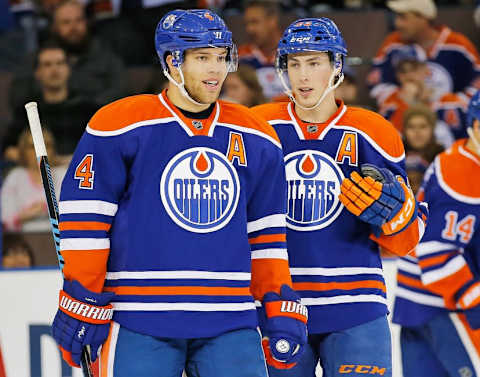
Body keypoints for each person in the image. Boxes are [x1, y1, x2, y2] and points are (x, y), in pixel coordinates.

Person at [50, 9, 307, 376]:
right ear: (172, 61)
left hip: (230, 316)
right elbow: (86, 222)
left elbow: (266, 235)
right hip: (140, 315)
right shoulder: (118, 126)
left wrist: (277, 301)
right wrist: (82, 296)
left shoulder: (257, 135)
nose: (216, 70)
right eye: (203, 58)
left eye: (221, 58)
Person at [252, 18, 427, 377]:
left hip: (357, 305)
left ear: (336, 66)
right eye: (294, 64)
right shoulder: (256, 127)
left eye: (314, 63)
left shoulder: (375, 131)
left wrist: (396, 217)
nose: (303, 77)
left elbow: (407, 241)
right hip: (275, 303)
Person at [393, 90, 480, 377]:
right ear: (476, 126)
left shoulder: (461, 157)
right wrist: (475, 302)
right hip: (442, 306)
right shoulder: (462, 173)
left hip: (421, 303)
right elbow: (436, 253)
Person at [9, 0, 127, 110]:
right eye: (66, 22)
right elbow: (18, 97)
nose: (73, 28)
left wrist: (84, 106)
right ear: (54, 27)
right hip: (48, 122)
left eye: (79, 20)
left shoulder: (106, 58)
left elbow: (121, 93)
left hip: (93, 122)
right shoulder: (39, 58)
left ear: (87, 22)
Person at [368, 0, 480, 106]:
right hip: (404, 119)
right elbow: (375, 83)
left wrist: (448, 103)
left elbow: (477, 85)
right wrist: (400, 100)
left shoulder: (458, 45)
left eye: (403, 17)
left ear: (423, 18)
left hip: (450, 121)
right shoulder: (392, 43)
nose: (397, 23)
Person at [4, 42, 98, 163]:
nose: (54, 70)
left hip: (81, 174)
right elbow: (8, 149)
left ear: (68, 69)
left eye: (60, 63)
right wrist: (40, 164)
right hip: (40, 176)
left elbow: (102, 146)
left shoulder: (87, 108)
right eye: (47, 65)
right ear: (37, 72)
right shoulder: (28, 110)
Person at [1, 129, 67, 232]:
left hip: (59, 241)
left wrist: (44, 208)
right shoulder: (15, 177)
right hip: (23, 242)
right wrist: (28, 214)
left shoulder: (63, 175)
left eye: (47, 145)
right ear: (23, 151)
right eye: (33, 146)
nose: (40, 150)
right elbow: (6, 221)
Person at [238, 0, 284, 100]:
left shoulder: (295, 53)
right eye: (247, 24)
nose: (250, 29)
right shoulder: (240, 57)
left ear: (272, 21)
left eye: (255, 22)